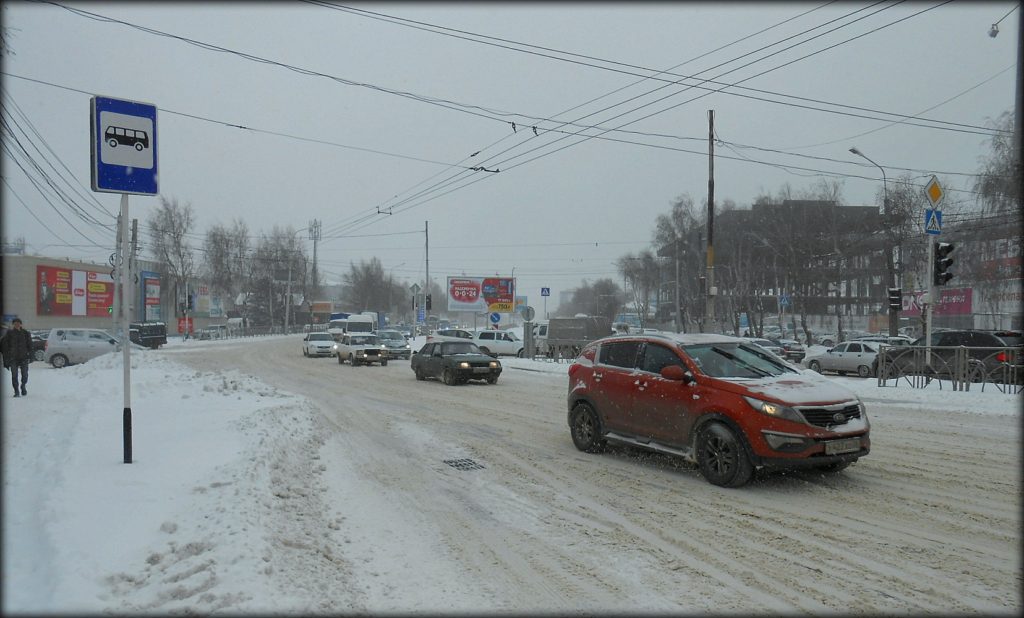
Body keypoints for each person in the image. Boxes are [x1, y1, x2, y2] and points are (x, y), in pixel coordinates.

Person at [1, 318, 34, 397]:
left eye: (18, 323)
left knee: (25, 375)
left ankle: (23, 386)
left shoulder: (26, 333)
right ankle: (16, 390)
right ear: (13, 325)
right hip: (13, 358)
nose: (17, 324)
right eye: (15, 323)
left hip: (24, 357)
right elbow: (4, 347)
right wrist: (6, 359)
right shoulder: (9, 334)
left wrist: (31, 356)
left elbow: (30, 345)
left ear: (21, 324)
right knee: (14, 375)